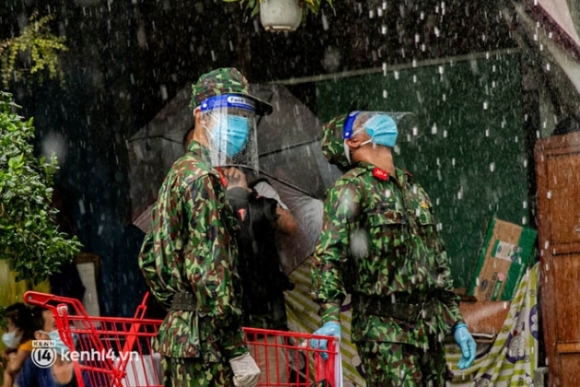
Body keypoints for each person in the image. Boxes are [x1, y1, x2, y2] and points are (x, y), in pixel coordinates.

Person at [309, 111, 477, 385]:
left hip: (429, 330)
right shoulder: (350, 189)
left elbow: (438, 261)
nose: (378, 118)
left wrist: (456, 321)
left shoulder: (412, 188)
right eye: (364, 120)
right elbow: (330, 257)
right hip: (384, 333)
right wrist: (330, 318)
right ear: (351, 141)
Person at [139, 67, 272, 387]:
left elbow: (147, 257)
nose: (240, 123)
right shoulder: (203, 179)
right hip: (206, 346)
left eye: (245, 115)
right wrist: (236, 350)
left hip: (183, 338)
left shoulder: (179, 173)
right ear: (202, 115)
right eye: (232, 112)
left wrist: (179, 305)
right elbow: (212, 272)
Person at [221, 166, 298, 384]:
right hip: (226, 326)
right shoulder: (207, 200)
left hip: (266, 324)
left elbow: (290, 225)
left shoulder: (258, 193)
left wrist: (247, 193)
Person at [14, 307, 89, 387]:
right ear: (40, 336)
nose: (67, 329)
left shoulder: (90, 357)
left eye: (69, 322)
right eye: (57, 325)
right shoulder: (36, 363)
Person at [2, 303, 34, 387]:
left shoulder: (27, 345)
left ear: (20, 330)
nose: (6, 333)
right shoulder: (24, 342)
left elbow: (14, 367)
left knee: (9, 368)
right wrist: (4, 353)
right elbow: (7, 350)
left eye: (8, 329)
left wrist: (6, 366)